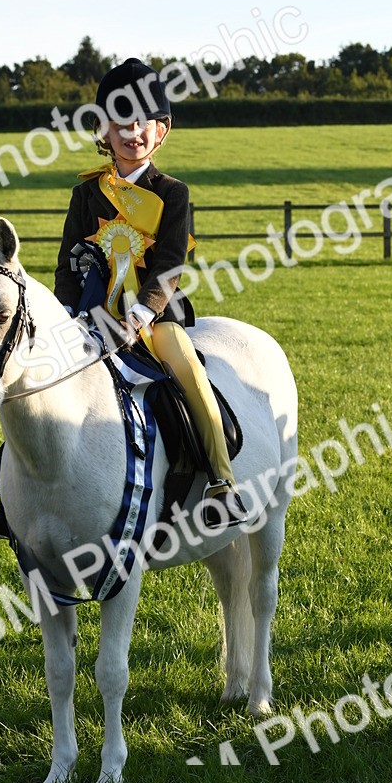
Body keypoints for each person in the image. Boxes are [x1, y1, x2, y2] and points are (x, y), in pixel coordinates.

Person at [54, 57, 248, 530]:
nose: (132, 131)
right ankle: (22, 493)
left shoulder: (173, 194)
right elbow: (66, 263)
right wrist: (66, 311)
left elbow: (170, 265)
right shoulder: (86, 195)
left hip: (154, 319)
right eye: (120, 121)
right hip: (93, 316)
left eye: (143, 121)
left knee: (188, 371)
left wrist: (141, 314)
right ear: (103, 129)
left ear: (160, 130)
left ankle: (222, 481)